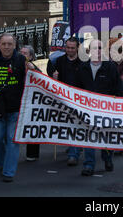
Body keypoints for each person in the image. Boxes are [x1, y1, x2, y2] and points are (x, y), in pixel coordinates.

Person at [74, 39, 123, 176]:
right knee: (89, 137)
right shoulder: (83, 68)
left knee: (105, 137)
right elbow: (76, 88)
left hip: (106, 110)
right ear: (89, 51)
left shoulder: (110, 67)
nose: (97, 51)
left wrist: (122, 106)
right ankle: (89, 165)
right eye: (94, 48)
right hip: (88, 110)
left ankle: (107, 158)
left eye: (100, 48)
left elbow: (118, 88)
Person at [0, 33, 28, 182]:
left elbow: (35, 77)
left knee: (12, 140)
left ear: (14, 45)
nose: (7, 47)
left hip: (16, 109)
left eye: (9, 44)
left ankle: (9, 172)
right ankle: (3, 163)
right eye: (4, 44)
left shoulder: (21, 60)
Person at [47, 37, 82, 166]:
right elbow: (53, 81)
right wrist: (54, 78)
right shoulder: (59, 61)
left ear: (77, 48)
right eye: (68, 48)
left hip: (78, 100)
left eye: (72, 48)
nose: (70, 50)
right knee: (67, 126)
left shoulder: (83, 62)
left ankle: (73, 154)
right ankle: (73, 148)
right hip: (64, 99)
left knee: (76, 126)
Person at [20, 45, 42, 161]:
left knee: (32, 125)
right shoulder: (14, 65)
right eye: (21, 52)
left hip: (30, 100)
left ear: (31, 56)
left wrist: (33, 69)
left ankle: (32, 153)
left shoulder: (33, 68)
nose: (22, 55)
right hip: (17, 99)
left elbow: (42, 79)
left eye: (25, 53)